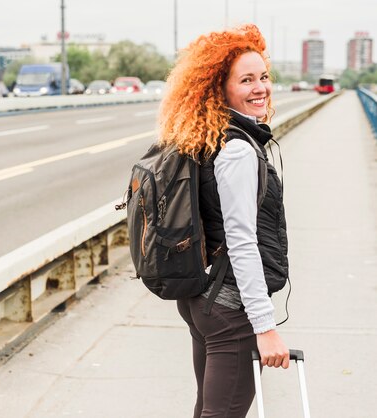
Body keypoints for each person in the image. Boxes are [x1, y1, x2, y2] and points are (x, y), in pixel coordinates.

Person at [157, 25, 290, 417]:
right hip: (231, 311)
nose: (260, 88)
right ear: (220, 90)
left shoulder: (213, 137)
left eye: (263, 77)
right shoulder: (237, 151)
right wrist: (264, 328)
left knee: (209, 410)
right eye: (246, 80)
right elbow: (242, 241)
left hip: (205, 298)